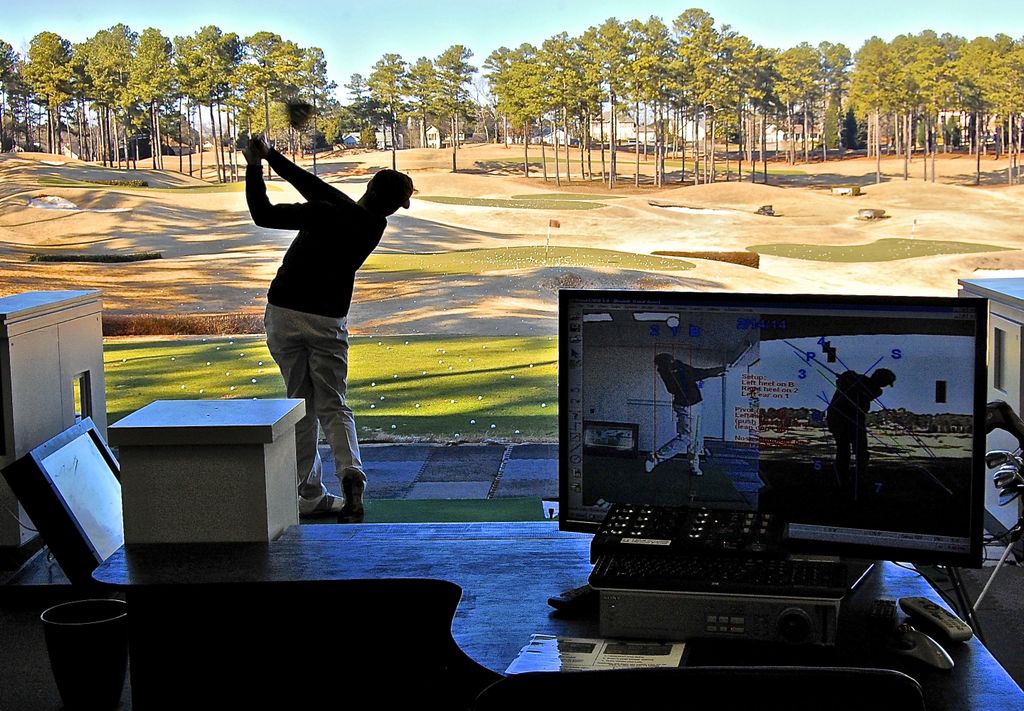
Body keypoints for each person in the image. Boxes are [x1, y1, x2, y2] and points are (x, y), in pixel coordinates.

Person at [243, 135, 414, 523]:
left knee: (299, 402)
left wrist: (257, 164)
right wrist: (272, 157)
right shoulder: (372, 227)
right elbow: (314, 186)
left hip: (284, 310)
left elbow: (265, 213)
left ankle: (308, 493)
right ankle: (350, 472)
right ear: (396, 206)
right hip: (327, 320)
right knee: (333, 402)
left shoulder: (326, 210)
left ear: (368, 187)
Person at [645, 353, 728, 476]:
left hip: (695, 405)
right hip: (688, 407)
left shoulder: (676, 367)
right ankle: (656, 457)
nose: (674, 361)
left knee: (697, 437)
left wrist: (717, 372)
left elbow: (695, 373)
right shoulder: (671, 372)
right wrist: (719, 370)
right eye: (671, 361)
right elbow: (697, 374)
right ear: (669, 362)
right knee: (687, 437)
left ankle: (693, 465)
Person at [825, 368, 896, 495]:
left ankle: (858, 477)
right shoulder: (853, 377)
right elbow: (841, 383)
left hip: (854, 419)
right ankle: (843, 479)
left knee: (861, 451)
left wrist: (851, 381)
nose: (885, 386)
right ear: (880, 379)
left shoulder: (877, 391)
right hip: (839, 417)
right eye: (885, 382)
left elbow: (865, 393)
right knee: (844, 449)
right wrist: (847, 377)